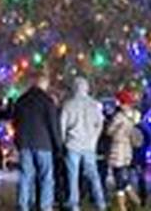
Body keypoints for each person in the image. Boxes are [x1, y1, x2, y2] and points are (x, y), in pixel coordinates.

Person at [12, 73, 61, 211]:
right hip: (44, 144)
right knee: (46, 178)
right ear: (44, 84)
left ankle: (23, 205)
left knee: (25, 177)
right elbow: (53, 124)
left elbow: (15, 122)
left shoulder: (21, 100)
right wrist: (58, 145)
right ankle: (45, 206)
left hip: (25, 144)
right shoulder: (47, 101)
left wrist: (17, 141)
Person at [60, 77, 106, 211]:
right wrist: (94, 139)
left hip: (73, 144)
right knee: (93, 175)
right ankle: (100, 202)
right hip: (89, 145)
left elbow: (62, 126)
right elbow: (100, 124)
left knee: (72, 176)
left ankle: (74, 204)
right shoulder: (94, 104)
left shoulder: (68, 104)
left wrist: (64, 141)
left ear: (74, 88)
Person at [105, 90, 143, 211]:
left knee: (119, 179)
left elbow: (109, 131)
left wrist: (109, 126)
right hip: (127, 150)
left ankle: (123, 206)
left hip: (117, 149)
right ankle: (135, 200)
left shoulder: (119, 116)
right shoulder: (134, 116)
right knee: (123, 177)